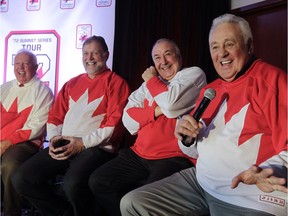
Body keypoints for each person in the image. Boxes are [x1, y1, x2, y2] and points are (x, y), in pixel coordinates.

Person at [120, 14, 287, 216]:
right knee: (133, 203)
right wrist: (186, 139)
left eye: (229, 44)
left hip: (248, 195)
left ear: (249, 46)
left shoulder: (271, 80)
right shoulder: (211, 89)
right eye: (215, 47)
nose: (222, 53)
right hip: (201, 182)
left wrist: (271, 170)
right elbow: (195, 150)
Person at [12, 36, 131, 216]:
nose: (89, 57)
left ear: (106, 55)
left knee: (72, 185)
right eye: (86, 53)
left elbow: (114, 126)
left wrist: (82, 143)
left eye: (95, 53)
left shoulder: (116, 83)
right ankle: (63, 212)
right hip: (65, 143)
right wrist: (54, 138)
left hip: (95, 148)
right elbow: (55, 116)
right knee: (22, 178)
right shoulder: (72, 83)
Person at [88, 38, 207, 216]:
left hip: (172, 157)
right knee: (98, 181)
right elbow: (128, 120)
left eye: (168, 54)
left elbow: (171, 105)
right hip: (138, 154)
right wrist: (157, 110)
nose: (163, 62)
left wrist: (152, 85)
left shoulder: (192, 75)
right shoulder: (149, 85)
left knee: (142, 197)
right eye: (157, 58)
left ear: (179, 57)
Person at [1, 49, 54, 216]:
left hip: (26, 143)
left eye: (25, 64)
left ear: (36, 67)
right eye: (17, 63)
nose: (20, 68)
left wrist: (7, 142)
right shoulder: (5, 88)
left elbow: (36, 127)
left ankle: (11, 213)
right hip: (2, 140)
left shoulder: (43, 91)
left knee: (9, 165)